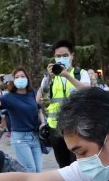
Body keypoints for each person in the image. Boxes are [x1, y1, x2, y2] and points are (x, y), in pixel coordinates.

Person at [36, 39, 90, 171]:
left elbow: (88, 91)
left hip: (76, 127)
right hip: (56, 129)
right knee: (64, 167)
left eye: (65, 55)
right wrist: (49, 78)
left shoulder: (80, 73)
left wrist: (67, 76)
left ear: (72, 56)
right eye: (58, 56)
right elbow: (39, 99)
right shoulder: (50, 77)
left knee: (78, 166)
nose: (61, 58)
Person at [0, 68, 42, 173]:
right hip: (20, 138)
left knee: (38, 170)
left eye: (22, 76)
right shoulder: (9, 97)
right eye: (16, 77)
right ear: (12, 80)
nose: (20, 79)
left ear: (27, 78)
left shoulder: (32, 93)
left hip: (35, 136)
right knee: (30, 169)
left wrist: (43, 123)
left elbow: (38, 109)